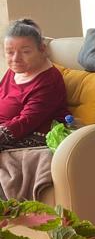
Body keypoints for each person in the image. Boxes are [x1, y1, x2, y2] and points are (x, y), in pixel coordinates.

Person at [0, 19, 68, 151]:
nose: (15, 59)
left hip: (31, 136)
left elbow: (26, 122)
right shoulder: (15, 70)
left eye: (25, 52)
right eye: (10, 52)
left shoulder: (49, 81)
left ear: (42, 49)